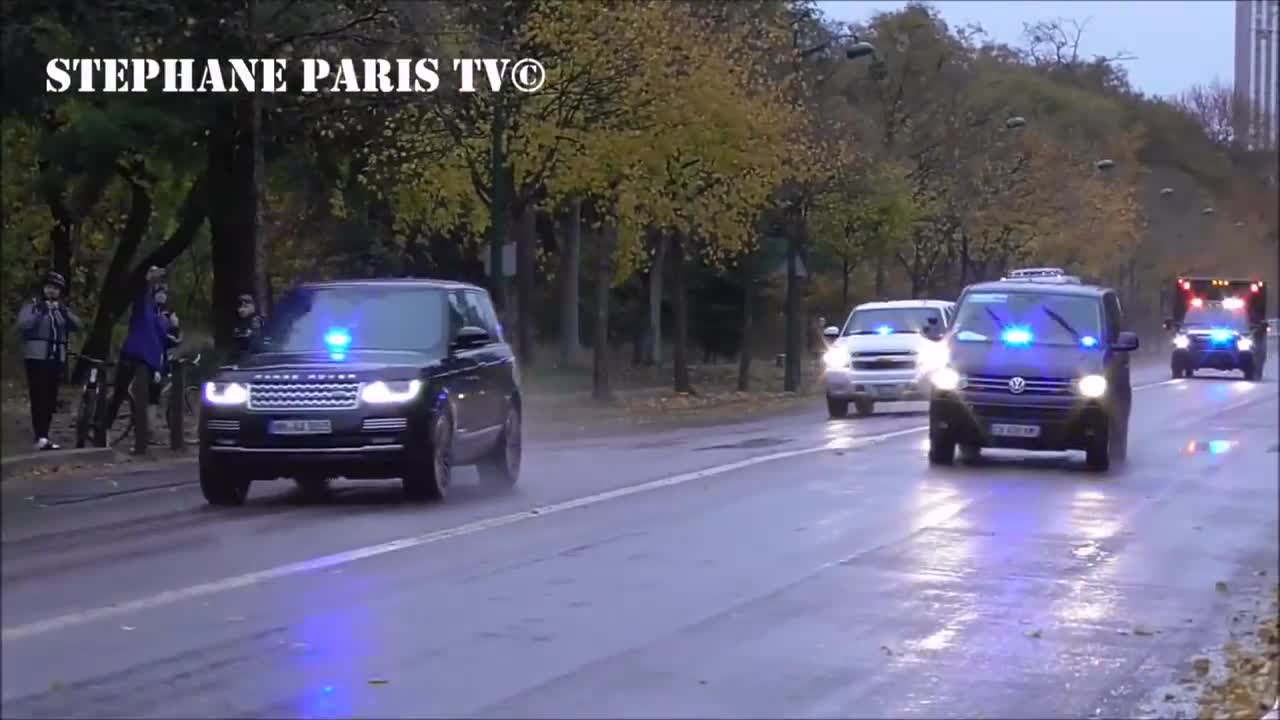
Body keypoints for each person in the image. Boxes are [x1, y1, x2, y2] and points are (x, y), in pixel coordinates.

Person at [14, 271, 82, 450]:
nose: (52, 291)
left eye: (56, 289)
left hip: (56, 357)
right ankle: (40, 435)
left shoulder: (61, 308)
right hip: (36, 356)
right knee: (38, 397)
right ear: (43, 288)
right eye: (50, 287)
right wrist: (40, 314)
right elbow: (22, 325)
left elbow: (77, 325)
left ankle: (45, 434)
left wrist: (64, 313)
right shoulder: (33, 306)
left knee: (51, 398)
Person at [105, 266, 168, 435]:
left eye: (165, 293)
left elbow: (162, 344)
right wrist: (147, 279)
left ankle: (144, 434)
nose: (162, 295)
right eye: (159, 292)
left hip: (149, 364)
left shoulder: (163, 319)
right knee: (119, 394)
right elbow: (140, 294)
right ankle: (104, 430)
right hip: (131, 356)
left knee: (146, 398)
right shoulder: (143, 309)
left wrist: (158, 368)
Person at [231, 293, 264, 361]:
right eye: (240, 306)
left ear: (253, 306)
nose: (241, 310)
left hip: (255, 356)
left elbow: (256, 337)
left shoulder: (256, 319)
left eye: (245, 306)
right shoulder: (239, 321)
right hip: (240, 356)